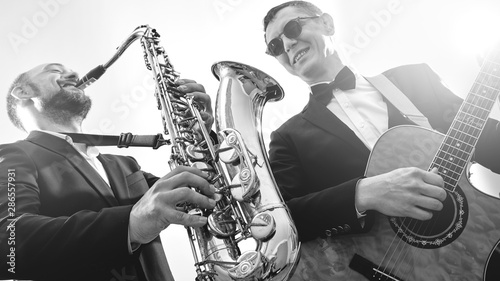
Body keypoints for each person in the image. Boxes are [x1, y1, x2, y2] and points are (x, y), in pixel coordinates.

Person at [262, 1, 500, 279]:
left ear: (327, 23)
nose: (288, 45)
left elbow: (488, 142)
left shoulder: (414, 79)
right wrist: (364, 193)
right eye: (276, 47)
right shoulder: (287, 138)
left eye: (292, 28)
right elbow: (284, 219)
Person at [0, 63, 216, 281]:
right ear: (23, 92)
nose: (74, 73)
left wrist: (201, 141)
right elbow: (7, 242)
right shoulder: (13, 155)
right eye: (54, 70)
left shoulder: (125, 165)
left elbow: (205, 193)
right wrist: (129, 224)